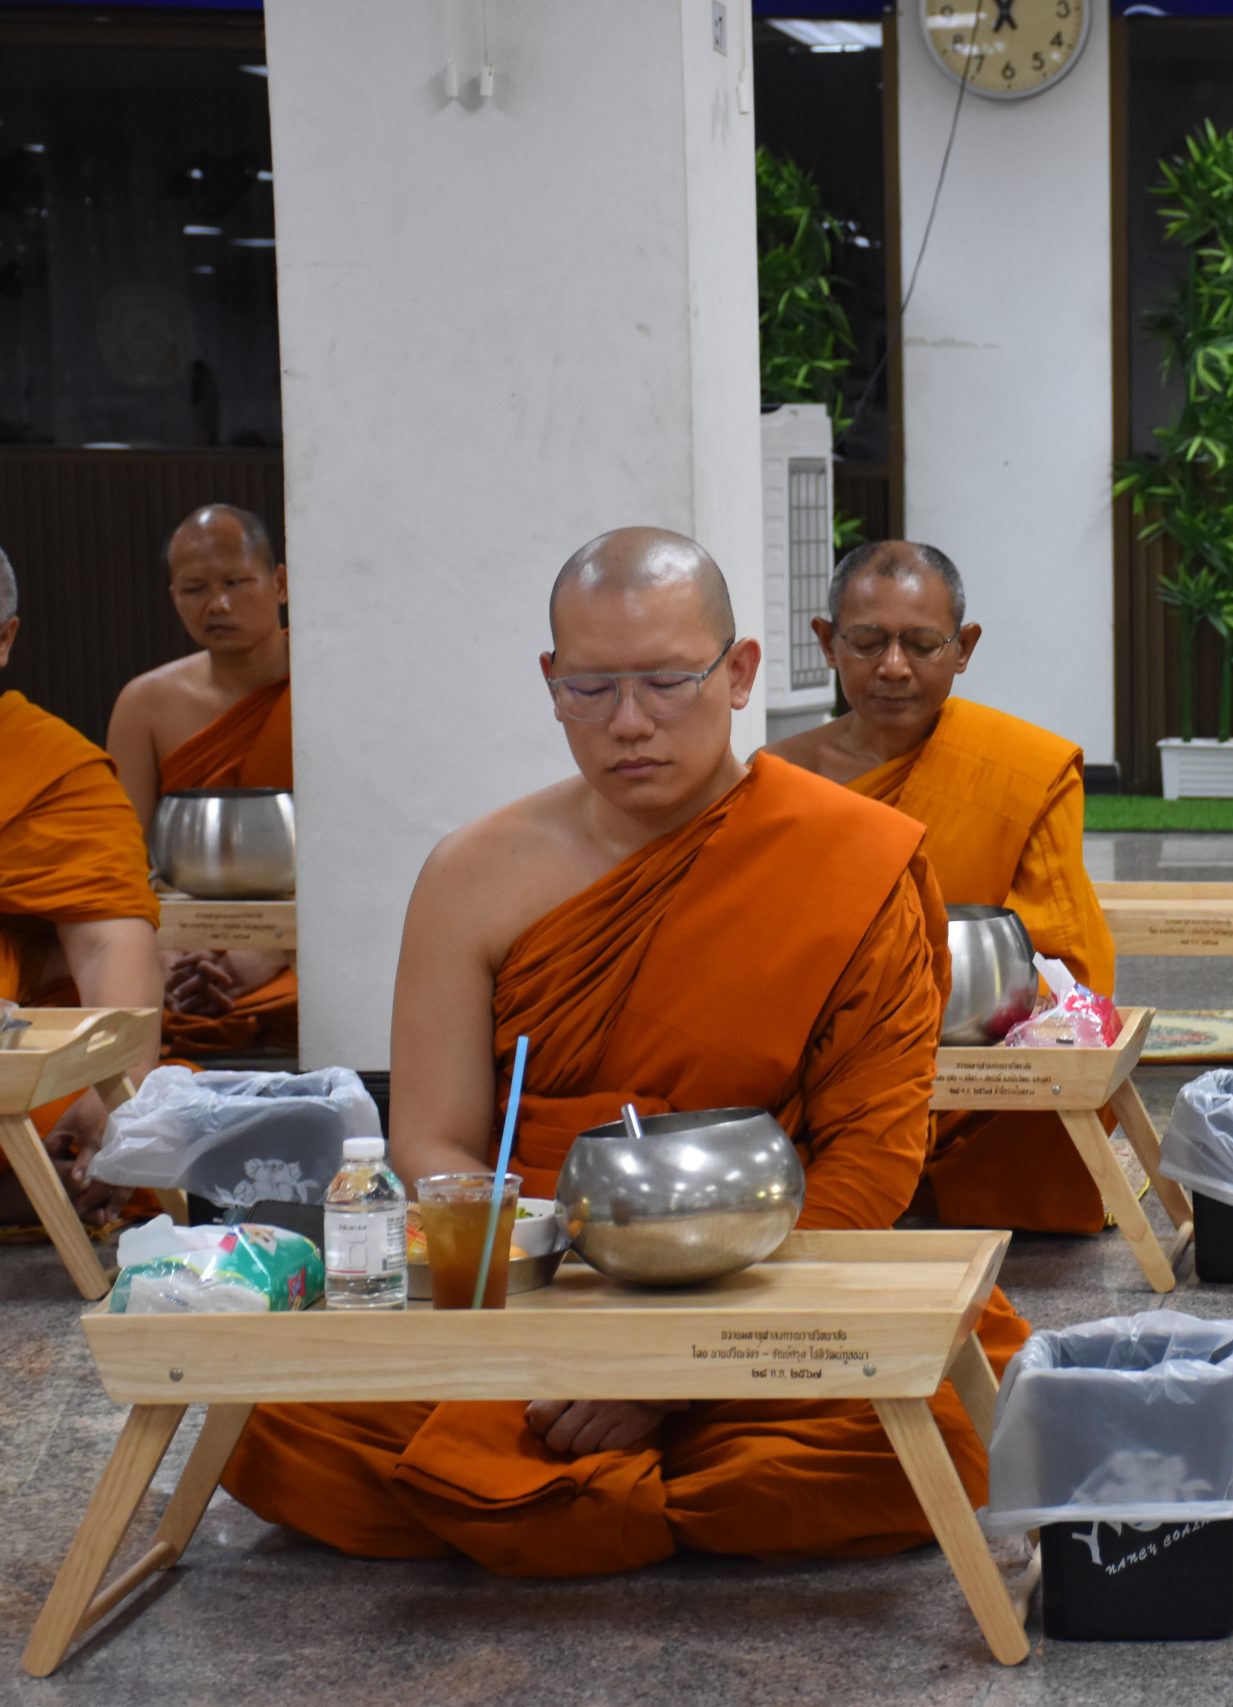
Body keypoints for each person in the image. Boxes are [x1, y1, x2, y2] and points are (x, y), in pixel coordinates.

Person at [221, 528, 1032, 1575]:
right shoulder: (473, 874)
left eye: (667, 681)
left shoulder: (851, 858)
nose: (631, 722)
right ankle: (654, 1485)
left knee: (960, 1396)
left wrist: (678, 1366)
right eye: (592, 688)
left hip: (767, 1283)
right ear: (550, 683)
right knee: (281, 1418)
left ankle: (570, 1479)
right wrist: (576, 1333)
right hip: (545, 1278)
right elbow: (434, 1140)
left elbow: (870, 1164)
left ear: (738, 674)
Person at [766, 540, 1117, 1235]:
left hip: (970, 1069)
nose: (894, 667)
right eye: (868, 642)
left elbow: (1066, 964)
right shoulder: (778, 779)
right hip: (825, 1059)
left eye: (923, 644)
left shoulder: (1020, 770)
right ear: (827, 643)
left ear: (964, 648)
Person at [0, 547, 163, 1224]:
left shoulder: (50, 768)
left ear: (4, 638)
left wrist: (114, 1089)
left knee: (154, 1112)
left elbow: (105, 941)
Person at [106, 505, 296, 1055]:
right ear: (173, 596)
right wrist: (168, 958)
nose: (217, 604)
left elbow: (360, 851)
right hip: (180, 944)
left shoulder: (325, 689)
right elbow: (120, 864)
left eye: (235, 582)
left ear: (279, 583)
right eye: (195, 589)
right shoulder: (146, 704)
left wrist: (268, 954)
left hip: (302, 949)